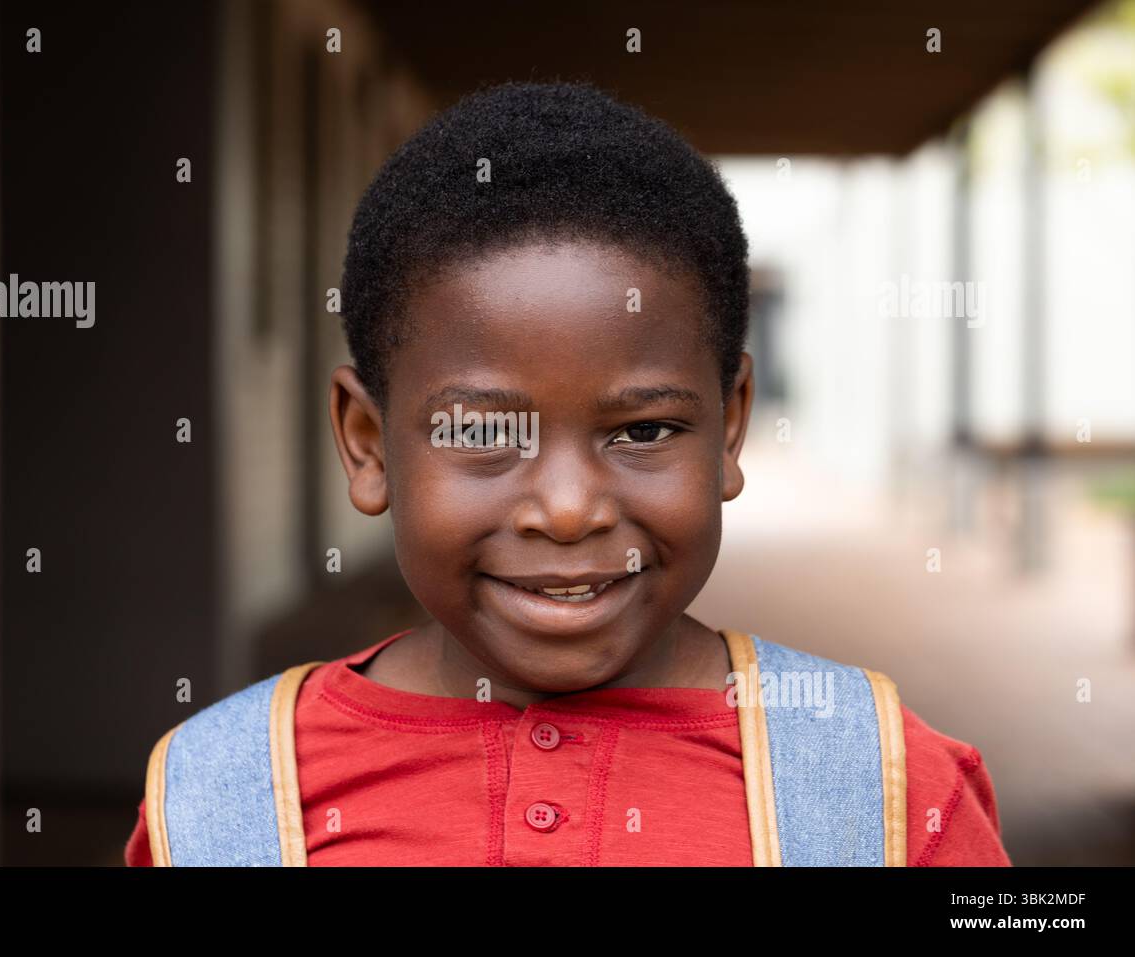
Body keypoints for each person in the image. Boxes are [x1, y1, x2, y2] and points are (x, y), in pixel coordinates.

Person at [124, 81, 1011, 867]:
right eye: (485, 432)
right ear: (367, 441)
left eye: (645, 429)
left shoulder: (886, 790)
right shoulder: (219, 800)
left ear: (731, 425)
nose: (568, 509)